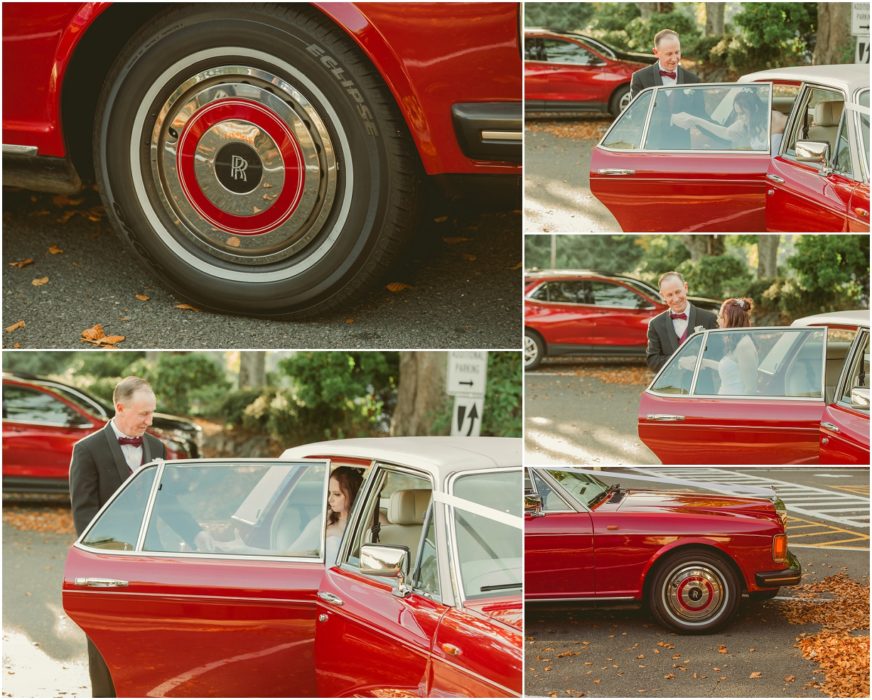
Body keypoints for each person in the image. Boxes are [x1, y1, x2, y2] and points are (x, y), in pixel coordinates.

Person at [69, 376, 212, 698]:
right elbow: (84, 512)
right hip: (107, 564)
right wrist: (108, 557)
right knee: (105, 637)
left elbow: (168, 503)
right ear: (121, 408)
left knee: (147, 635)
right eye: (143, 414)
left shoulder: (156, 447)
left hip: (149, 559)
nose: (150, 421)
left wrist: (197, 534)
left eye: (152, 413)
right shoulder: (87, 449)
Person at [214, 466, 363, 564]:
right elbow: (293, 554)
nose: (329, 500)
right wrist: (244, 551)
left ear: (352, 493)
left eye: (337, 494)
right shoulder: (323, 522)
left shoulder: (373, 522)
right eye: (329, 493)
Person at [646, 271, 718, 372]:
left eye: (678, 292)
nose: (675, 299)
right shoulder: (655, 324)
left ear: (686, 287)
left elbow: (718, 354)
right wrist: (678, 362)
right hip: (671, 385)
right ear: (663, 296)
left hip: (702, 385)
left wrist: (703, 362)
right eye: (670, 295)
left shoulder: (709, 318)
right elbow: (653, 361)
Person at [671, 91, 768, 150]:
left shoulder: (773, 121)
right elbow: (725, 133)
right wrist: (696, 120)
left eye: (742, 113)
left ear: (755, 108)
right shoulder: (742, 123)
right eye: (737, 113)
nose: (739, 118)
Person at [629, 29, 700, 98]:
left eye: (677, 52)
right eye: (669, 54)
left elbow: (699, 109)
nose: (674, 59)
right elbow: (636, 110)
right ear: (656, 52)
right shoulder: (640, 78)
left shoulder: (693, 80)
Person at [711, 298, 758, 394]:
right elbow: (733, 369)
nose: (717, 320)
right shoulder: (737, 341)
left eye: (721, 317)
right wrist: (702, 362)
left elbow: (750, 388)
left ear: (732, 319)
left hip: (734, 406)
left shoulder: (744, 345)